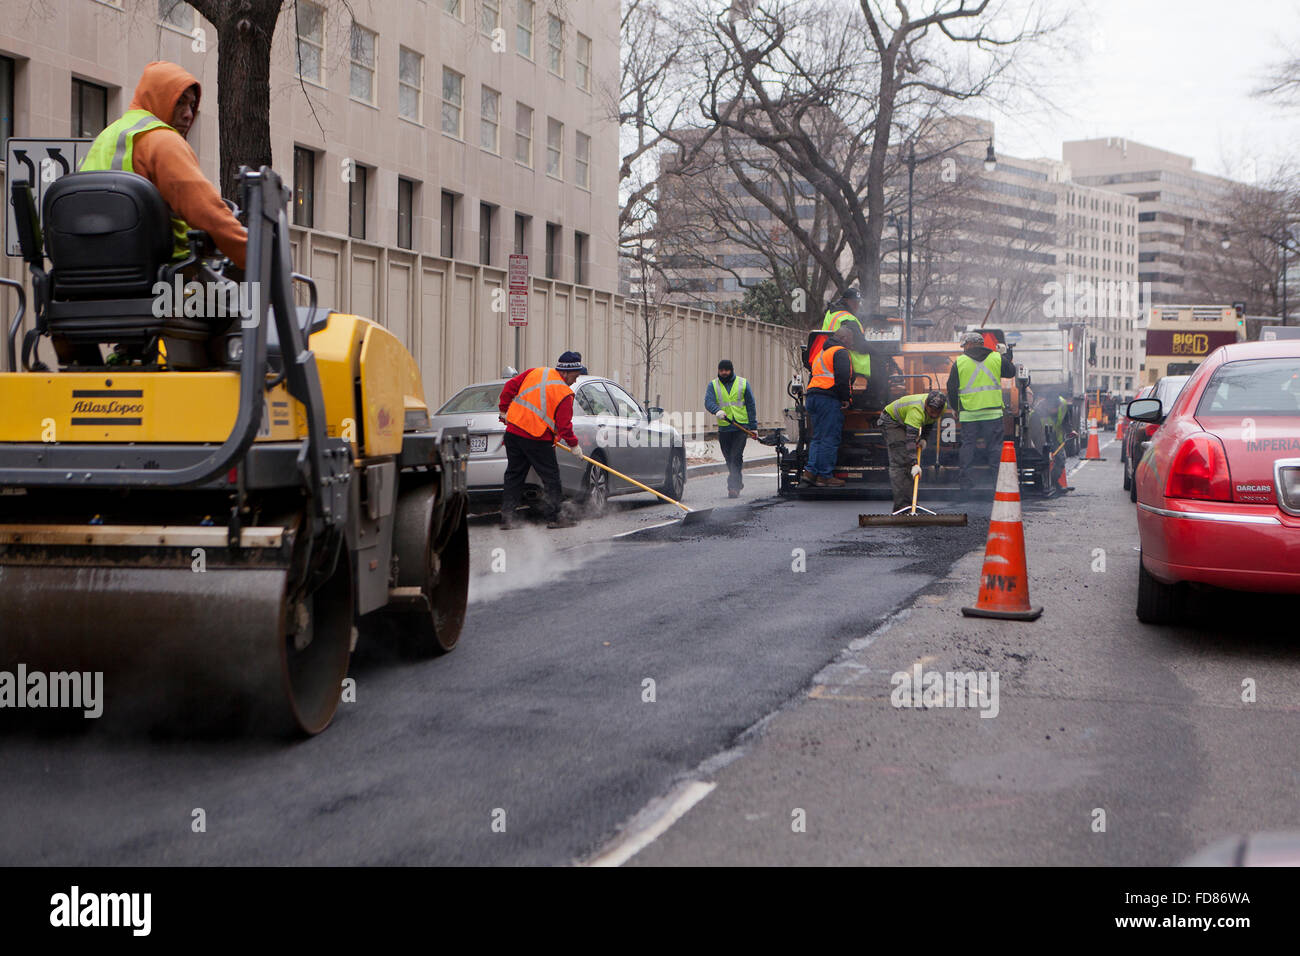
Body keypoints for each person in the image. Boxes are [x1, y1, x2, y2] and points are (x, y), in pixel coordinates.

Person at [80, 61, 247, 269]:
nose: (188, 114)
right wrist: (254, 257)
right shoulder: (162, 141)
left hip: (89, 277)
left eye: (191, 105)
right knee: (239, 298)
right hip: (162, 281)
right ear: (158, 97)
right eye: (179, 102)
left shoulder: (105, 138)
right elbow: (207, 213)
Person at [497, 351, 586, 529]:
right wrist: (574, 445)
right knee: (551, 478)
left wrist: (503, 410)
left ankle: (508, 517)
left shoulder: (535, 372)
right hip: (536, 438)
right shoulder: (564, 393)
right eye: (575, 376)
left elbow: (509, 387)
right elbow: (564, 426)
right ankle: (555, 517)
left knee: (514, 475)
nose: (575, 381)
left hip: (513, 433)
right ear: (566, 372)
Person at [947, 331, 1017, 492]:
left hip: (969, 414)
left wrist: (956, 408)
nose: (963, 349)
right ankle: (997, 483)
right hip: (992, 413)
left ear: (970, 345)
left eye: (964, 345)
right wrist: (1004, 355)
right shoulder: (995, 358)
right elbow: (1011, 372)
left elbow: (952, 388)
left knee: (968, 447)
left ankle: (966, 482)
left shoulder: (960, 362)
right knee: (994, 448)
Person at [801, 324, 854, 487]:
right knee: (830, 437)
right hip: (828, 399)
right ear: (843, 338)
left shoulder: (821, 353)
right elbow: (842, 377)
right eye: (851, 340)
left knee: (817, 437)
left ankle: (810, 472)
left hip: (813, 397)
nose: (851, 344)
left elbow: (814, 376)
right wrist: (846, 398)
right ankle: (825, 476)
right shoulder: (840, 352)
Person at [879, 390, 947, 513]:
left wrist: (923, 439)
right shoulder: (916, 411)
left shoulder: (942, 407)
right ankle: (901, 507)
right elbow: (910, 440)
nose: (933, 414)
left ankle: (911, 504)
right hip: (891, 421)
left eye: (936, 412)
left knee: (907, 463)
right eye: (931, 411)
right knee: (900, 462)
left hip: (905, 420)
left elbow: (929, 423)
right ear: (926, 405)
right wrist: (915, 463)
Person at [704, 359, 757, 498]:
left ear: (731, 370)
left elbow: (751, 405)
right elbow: (708, 402)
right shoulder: (713, 385)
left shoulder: (743, 383)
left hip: (741, 427)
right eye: (721, 370)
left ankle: (733, 487)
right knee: (729, 459)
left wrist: (753, 427)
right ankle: (737, 482)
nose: (724, 373)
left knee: (736, 456)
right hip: (724, 428)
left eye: (726, 370)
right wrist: (717, 411)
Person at [819, 287, 872, 394]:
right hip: (853, 368)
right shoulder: (848, 318)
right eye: (854, 302)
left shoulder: (831, 313)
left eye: (858, 302)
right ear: (846, 301)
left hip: (828, 361)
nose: (857, 305)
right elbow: (860, 344)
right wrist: (876, 351)